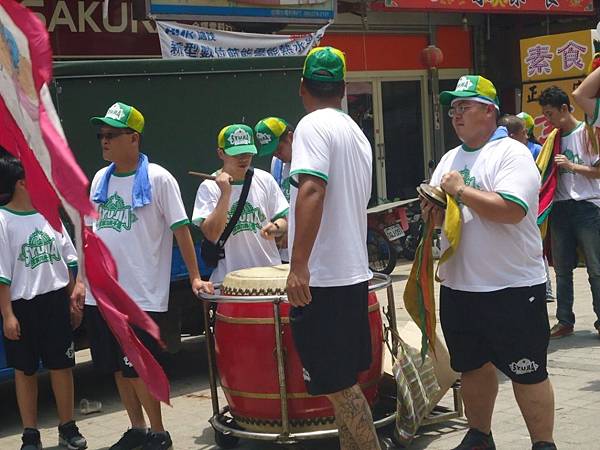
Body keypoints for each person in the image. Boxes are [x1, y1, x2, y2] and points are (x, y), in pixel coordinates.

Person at [422, 75, 556, 450]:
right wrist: (431, 211)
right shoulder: (451, 158)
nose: (456, 115)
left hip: (512, 287)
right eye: (453, 108)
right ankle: (480, 435)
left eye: (464, 107)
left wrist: (460, 190)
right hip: (460, 286)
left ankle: (542, 443)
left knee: (527, 372)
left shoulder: (512, 154)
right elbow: (440, 216)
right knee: (471, 367)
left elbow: (512, 210)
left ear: (489, 111)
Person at [85, 102, 211, 450]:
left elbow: (182, 230)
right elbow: (90, 234)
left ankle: (159, 433)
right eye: (101, 134)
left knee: (137, 368)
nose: (104, 141)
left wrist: (197, 276)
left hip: (140, 295)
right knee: (115, 367)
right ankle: (137, 429)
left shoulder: (158, 178)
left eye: (111, 134)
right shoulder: (100, 179)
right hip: (103, 295)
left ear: (134, 138)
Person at [285, 47, 380, 450]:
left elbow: (311, 189)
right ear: (342, 89)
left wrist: (298, 266)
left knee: (338, 386)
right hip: (351, 275)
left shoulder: (311, 126)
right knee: (344, 383)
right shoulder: (355, 133)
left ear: (303, 86)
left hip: (324, 280)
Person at [0, 154, 88, 450]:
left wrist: (73, 294)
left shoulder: (48, 214)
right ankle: (30, 434)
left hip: (54, 303)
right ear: (22, 183)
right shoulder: (2, 220)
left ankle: (67, 427)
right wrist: (8, 314)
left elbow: (69, 258)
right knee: (25, 371)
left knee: (62, 365)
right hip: (23, 307)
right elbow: (2, 275)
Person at [538, 86, 600, 339]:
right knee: (562, 269)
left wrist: (572, 166)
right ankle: (564, 320)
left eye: (551, 114)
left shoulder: (588, 132)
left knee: (596, 268)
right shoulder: (553, 139)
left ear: (565, 108)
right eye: (545, 115)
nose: (549, 120)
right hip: (560, 208)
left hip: (587, 206)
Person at [192, 123, 289, 283]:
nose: (243, 158)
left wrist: (276, 228)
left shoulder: (264, 179)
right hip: (230, 281)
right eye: (237, 154)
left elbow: (284, 220)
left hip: (269, 278)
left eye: (248, 152)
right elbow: (211, 234)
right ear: (221, 153)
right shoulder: (209, 187)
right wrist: (225, 194)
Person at [497, 114, 555, 302]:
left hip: (531, 209)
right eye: (524, 133)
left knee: (536, 247)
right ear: (514, 135)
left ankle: (545, 288)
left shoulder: (534, 150)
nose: (527, 136)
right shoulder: (497, 154)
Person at [254, 117, 294, 262]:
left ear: (290, 137)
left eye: (278, 149)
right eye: (271, 151)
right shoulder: (276, 162)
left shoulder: (310, 161)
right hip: (285, 253)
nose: (276, 154)